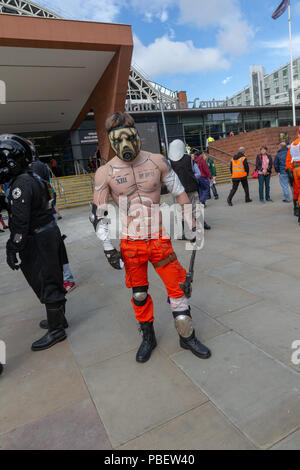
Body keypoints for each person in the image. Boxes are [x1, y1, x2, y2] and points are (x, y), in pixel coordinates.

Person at [90, 112, 211, 363]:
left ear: (138, 137)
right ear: (112, 142)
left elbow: (179, 192)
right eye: (118, 140)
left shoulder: (157, 162)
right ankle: (148, 337)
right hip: (131, 241)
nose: (125, 145)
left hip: (158, 238)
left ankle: (186, 336)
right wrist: (107, 246)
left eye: (129, 138)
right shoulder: (105, 172)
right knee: (139, 293)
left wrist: (191, 222)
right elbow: (98, 212)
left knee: (178, 289)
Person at [0, 134, 68, 351]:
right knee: (51, 278)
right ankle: (58, 320)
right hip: (48, 234)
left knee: (45, 281)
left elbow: (20, 223)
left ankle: (57, 330)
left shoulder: (21, 184)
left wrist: (12, 248)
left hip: (39, 239)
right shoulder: (31, 177)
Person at [31, 156, 76, 293]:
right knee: (54, 250)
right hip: (44, 216)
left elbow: (45, 193)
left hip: (44, 218)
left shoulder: (35, 167)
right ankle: (63, 278)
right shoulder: (37, 167)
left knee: (55, 250)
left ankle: (66, 279)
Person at [169, 141, 211, 233]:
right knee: (196, 207)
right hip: (191, 188)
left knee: (181, 211)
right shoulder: (189, 159)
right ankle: (200, 225)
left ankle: (182, 232)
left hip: (178, 191)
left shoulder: (169, 162)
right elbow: (198, 174)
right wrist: (191, 178)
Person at [286, 131, 300, 224]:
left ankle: (296, 209)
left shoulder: (292, 145)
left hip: (294, 170)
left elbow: (288, 159)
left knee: (296, 191)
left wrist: (289, 171)